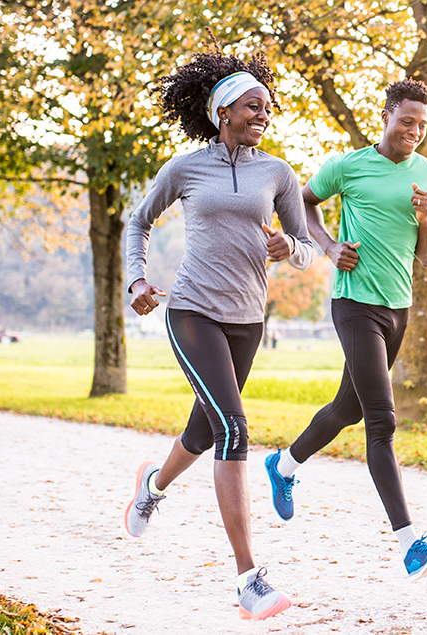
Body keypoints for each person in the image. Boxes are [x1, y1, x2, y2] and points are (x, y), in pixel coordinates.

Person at [124, 49, 313, 621]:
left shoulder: (277, 172)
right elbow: (138, 220)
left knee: (205, 431)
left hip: (247, 319)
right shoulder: (185, 169)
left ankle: (152, 484)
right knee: (233, 427)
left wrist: (290, 248)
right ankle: (248, 579)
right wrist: (136, 278)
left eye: (268, 106)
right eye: (253, 105)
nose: (264, 113)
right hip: (191, 311)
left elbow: (304, 250)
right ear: (222, 110)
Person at [264, 78, 427, 581]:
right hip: (354, 303)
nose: (413, 130)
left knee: (347, 408)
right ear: (386, 115)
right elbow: (303, 201)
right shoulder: (348, 165)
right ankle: (411, 543)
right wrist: (326, 246)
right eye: (406, 120)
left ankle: (284, 464)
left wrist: (423, 220)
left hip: (398, 308)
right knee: (381, 421)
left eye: (421, 123)